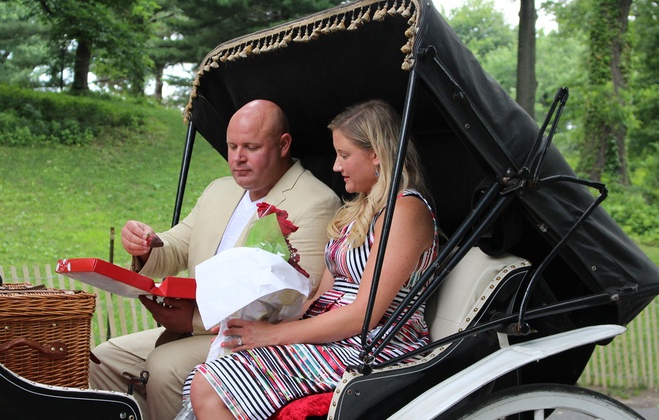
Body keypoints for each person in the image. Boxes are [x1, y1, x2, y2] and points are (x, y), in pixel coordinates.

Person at [182, 99, 439, 419]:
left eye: (344, 155)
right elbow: (320, 296)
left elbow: (364, 314)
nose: (336, 166)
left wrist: (274, 336)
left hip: (376, 346)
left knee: (211, 385)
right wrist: (268, 322)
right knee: (217, 367)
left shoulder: (406, 210)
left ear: (376, 154)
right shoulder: (356, 213)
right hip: (335, 336)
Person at [89, 99, 342, 420]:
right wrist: (146, 246)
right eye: (232, 146)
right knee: (104, 359)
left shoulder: (316, 202)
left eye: (251, 147)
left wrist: (193, 319)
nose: (237, 158)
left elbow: (295, 304)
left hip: (252, 341)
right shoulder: (219, 190)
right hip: (190, 329)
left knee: (163, 367)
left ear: (283, 145)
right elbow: (176, 246)